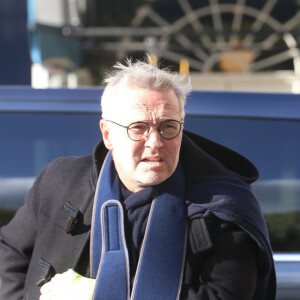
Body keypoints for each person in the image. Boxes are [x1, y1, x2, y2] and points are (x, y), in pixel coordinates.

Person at [0, 58, 276, 300]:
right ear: (108, 135)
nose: (155, 142)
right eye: (138, 128)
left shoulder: (223, 209)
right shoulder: (61, 180)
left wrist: (101, 295)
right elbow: (10, 250)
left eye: (168, 126)